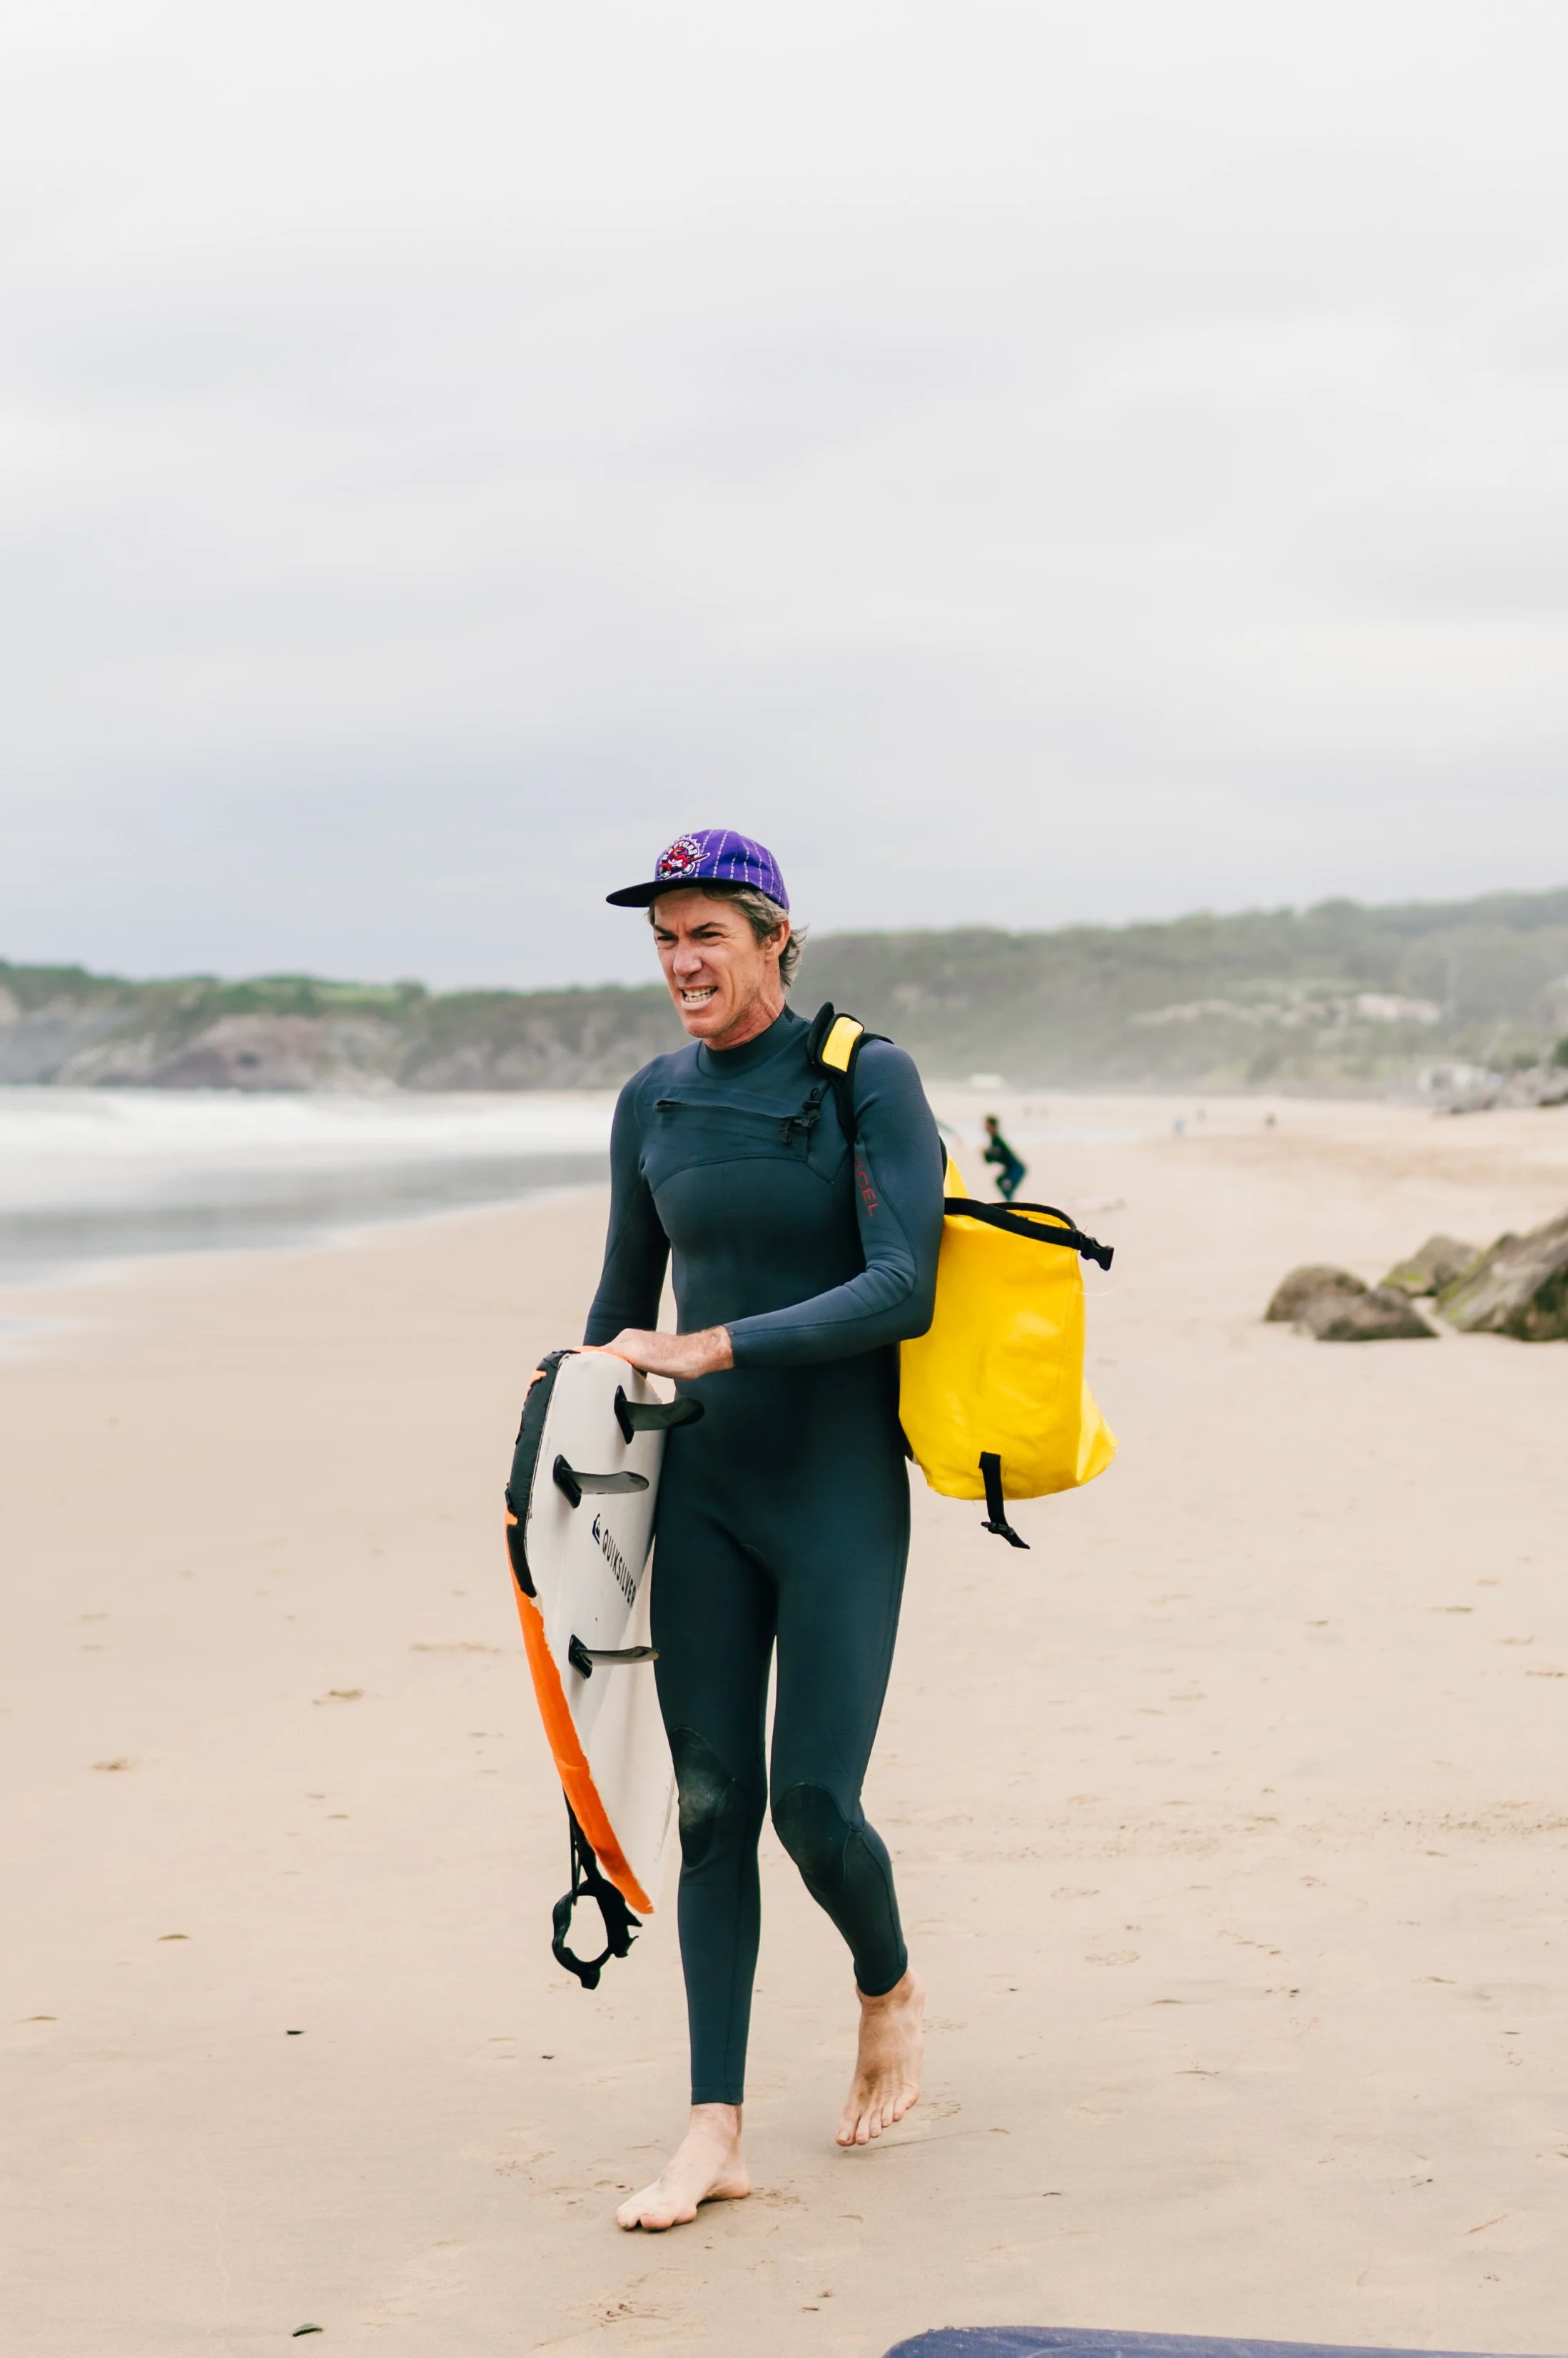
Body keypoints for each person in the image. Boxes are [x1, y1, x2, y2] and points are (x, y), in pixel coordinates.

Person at [585, 827, 944, 2232]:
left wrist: (718, 1344)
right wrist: (566, 1449)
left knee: (813, 1803)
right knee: (715, 1804)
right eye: (664, 938)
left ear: (775, 938)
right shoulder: (651, 1103)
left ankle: (888, 1980)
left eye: (707, 935)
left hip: (840, 1484)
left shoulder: (864, 1077)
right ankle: (714, 2128)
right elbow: (625, 1306)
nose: (682, 962)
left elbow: (901, 1284)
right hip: (708, 1494)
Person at [981, 1113, 1026, 1202]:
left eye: (987, 1125)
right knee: (1000, 1182)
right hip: (1010, 1169)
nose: (985, 1128)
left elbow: (997, 1155)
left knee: (1006, 1184)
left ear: (992, 1126)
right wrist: (986, 1155)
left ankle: (1010, 1205)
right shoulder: (994, 1140)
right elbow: (990, 1161)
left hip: (1017, 1168)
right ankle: (1010, 1204)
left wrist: (988, 1153)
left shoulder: (997, 1140)